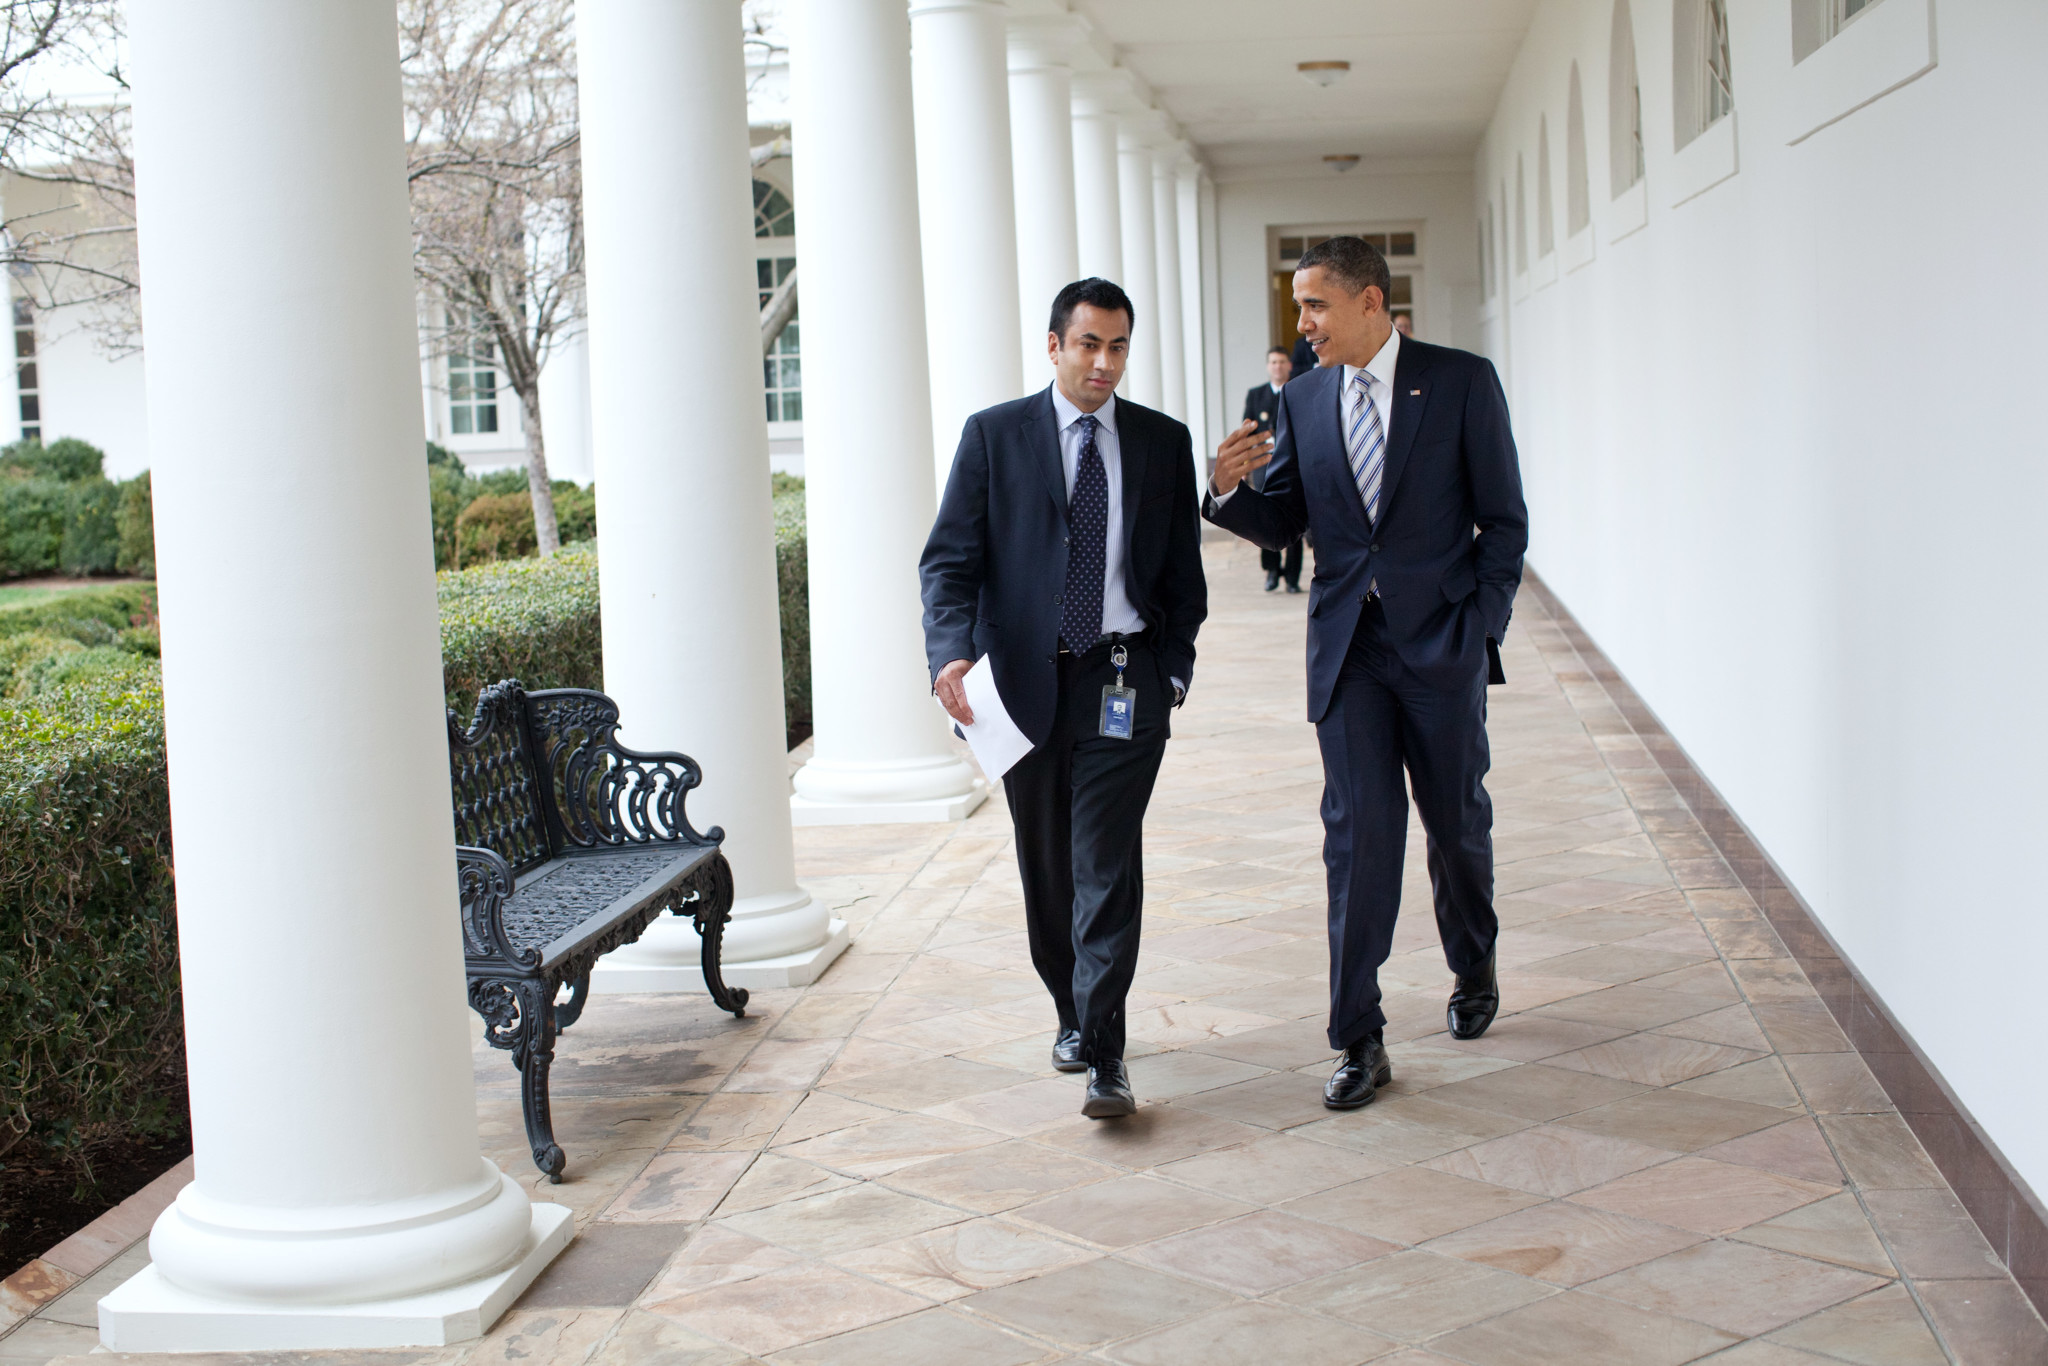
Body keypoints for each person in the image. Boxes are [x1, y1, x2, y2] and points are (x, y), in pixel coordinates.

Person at [1205, 236, 1527, 1111]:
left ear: (1370, 302)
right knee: (1357, 842)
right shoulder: (1303, 400)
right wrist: (1231, 494)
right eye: (1299, 306)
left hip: (1441, 646)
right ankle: (1358, 1035)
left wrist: (1481, 626)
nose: (1302, 324)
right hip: (1351, 653)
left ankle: (1474, 964)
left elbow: (1504, 522)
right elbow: (1290, 525)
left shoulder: (1461, 382)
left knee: (1456, 824)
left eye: (1315, 305)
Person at [921, 277, 1207, 1120]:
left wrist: (1173, 672)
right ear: (1055, 346)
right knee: (1047, 868)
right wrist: (949, 653)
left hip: (1124, 680)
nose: (1104, 363)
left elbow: (1181, 575)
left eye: (1118, 347)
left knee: (1106, 865)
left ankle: (1106, 1054)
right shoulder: (994, 437)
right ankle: (1072, 1015)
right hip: (1023, 684)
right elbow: (950, 562)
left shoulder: (1161, 442)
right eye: (1089, 345)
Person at [1244, 347, 1305, 592]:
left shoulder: (1299, 391)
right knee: (1264, 518)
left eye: (1281, 361)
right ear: (1268, 366)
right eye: (1273, 362)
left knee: (1295, 517)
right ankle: (1271, 571)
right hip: (1263, 464)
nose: (1277, 366)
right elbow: (1247, 428)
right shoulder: (1256, 394)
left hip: (1293, 464)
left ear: (1289, 365)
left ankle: (1292, 577)